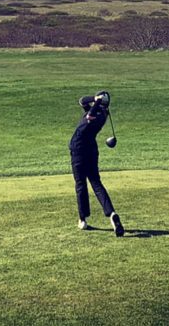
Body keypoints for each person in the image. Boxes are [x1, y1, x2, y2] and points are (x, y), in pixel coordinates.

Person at [69, 90, 124, 236]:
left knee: (81, 184)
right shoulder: (103, 113)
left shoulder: (96, 114)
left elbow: (89, 115)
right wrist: (96, 98)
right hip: (91, 150)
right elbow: (82, 100)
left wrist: (97, 101)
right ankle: (112, 213)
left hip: (79, 150)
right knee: (96, 183)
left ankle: (82, 219)